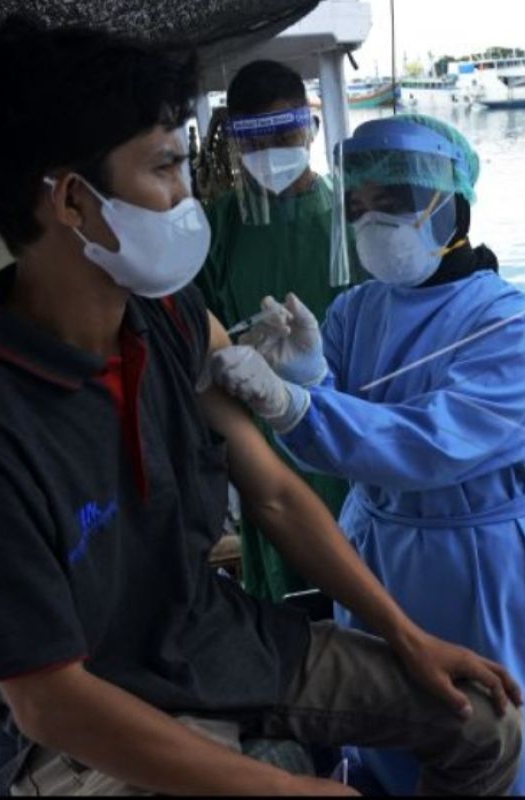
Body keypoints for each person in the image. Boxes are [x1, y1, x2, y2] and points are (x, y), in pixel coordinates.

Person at [0, 17, 522, 796]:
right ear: (72, 201)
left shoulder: (171, 317)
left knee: (484, 723)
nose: (187, 194)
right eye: (167, 167)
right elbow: (48, 702)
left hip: (215, 642)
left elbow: (272, 493)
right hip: (93, 720)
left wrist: (405, 636)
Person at [210, 114, 525, 796]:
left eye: (391, 204)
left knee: (503, 729)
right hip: (380, 552)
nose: (371, 222)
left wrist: (298, 404)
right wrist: (310, 380)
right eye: (358, 207)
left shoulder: (504, 320)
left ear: (449, 204)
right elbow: (342, 447)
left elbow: (433, 445)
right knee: (390, 733)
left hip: (484, 561)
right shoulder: (354, 312)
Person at [194, 60, 362, 603]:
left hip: (351, 424)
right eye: (254, 138)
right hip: (261, 434)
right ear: (235, 143)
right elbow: (201, 331)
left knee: (358, 563)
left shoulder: (351, 219)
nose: (272, 149)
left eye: (284, 131)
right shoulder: (218, 227)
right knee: (286, 583)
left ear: (310, 128)